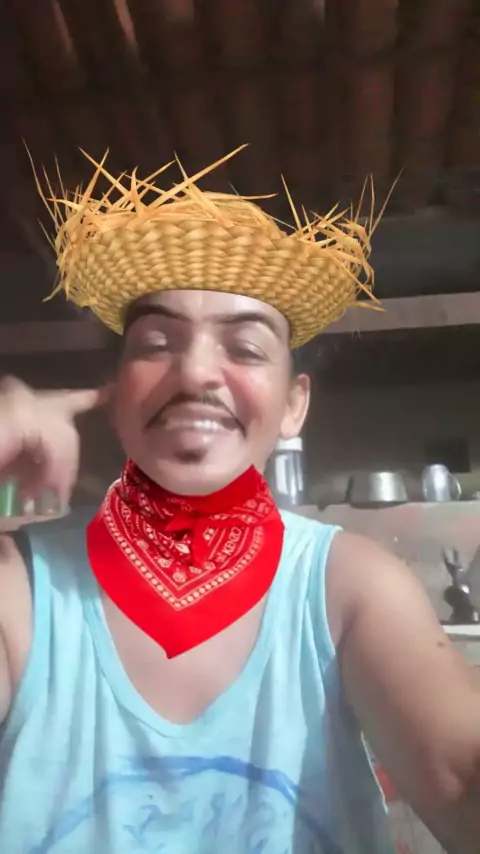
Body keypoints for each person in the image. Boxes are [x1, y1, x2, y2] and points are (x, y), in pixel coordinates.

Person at [0, 149, 479, 854]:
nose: (196, 372)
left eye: (247, 350)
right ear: (116, 394)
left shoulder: (349, 588)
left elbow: (463, 777)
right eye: (156, 343)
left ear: (293, 406)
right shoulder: (19, 591)